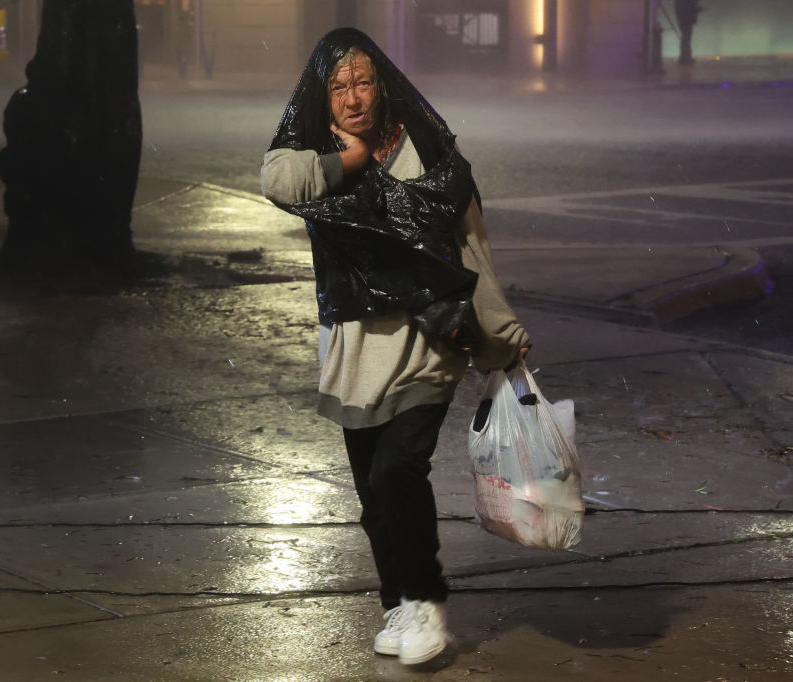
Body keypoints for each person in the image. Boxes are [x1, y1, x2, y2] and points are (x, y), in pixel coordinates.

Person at [260, 28, 529, 666]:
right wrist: (347, 164)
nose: (353, 97)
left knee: (397, 470)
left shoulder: (424, 144)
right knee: (373, 496)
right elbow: (275, 180)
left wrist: (503, 335)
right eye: (339, 86)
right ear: (322, 97)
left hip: (427, 339)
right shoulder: (317, 155)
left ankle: (427, 602)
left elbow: (470, 248)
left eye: (363, 81)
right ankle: (398, 604)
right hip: (354, 347)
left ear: (382, 84)